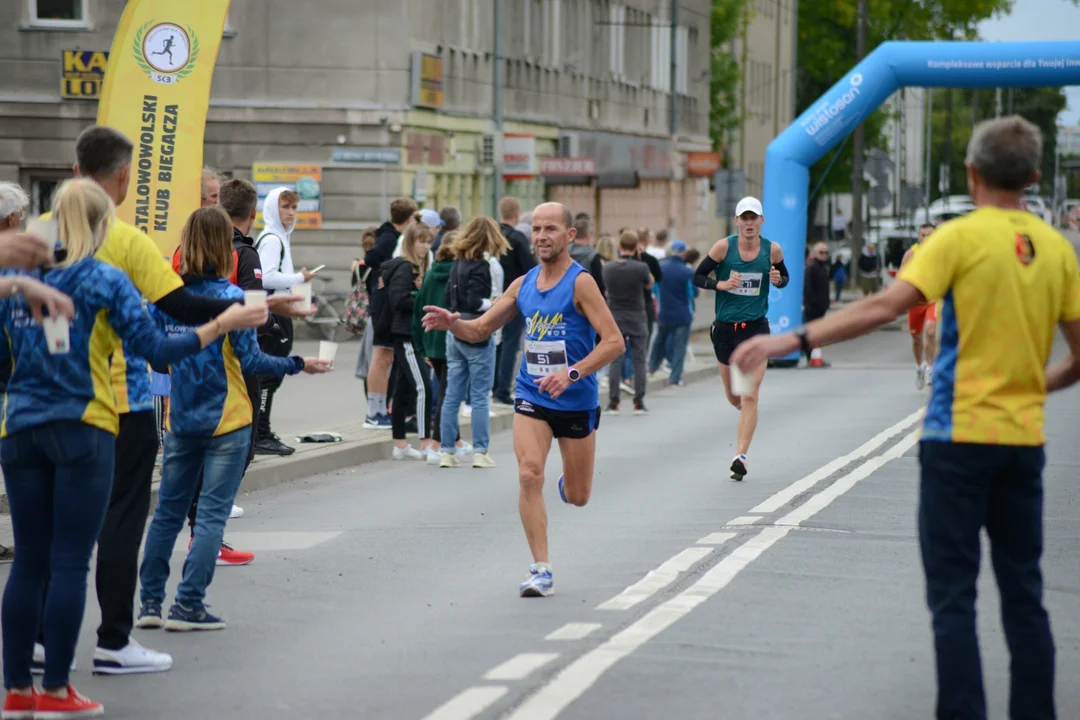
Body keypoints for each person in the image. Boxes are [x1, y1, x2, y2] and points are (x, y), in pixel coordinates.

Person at [731, 116, 1080, 720]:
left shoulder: (957, 239)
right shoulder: (1057, 250)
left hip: (956, 440)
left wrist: (794, 340)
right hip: (1023, 444)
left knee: (954, 598)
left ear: (972, 174)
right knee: (1025, 595)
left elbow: (886, 305)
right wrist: (1031, 390)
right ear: (1034, 176)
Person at [0, 180, 263, 719]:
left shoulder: (14, 278)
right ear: (102, 227)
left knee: (29, 560)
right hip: (85, 422)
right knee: (72, 561)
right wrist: (222, 323)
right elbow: (157, 349)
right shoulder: (102, 278)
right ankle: (54, 691)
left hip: (18, 426)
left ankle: (14, 688)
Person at [43, 126, 274, 678]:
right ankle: (115, 639)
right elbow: (170, 328)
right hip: (116, 407)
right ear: (122, 177)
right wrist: (233, 314)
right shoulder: (122, 251)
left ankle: (37, 651)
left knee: (47, 538)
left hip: (33, 413)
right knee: (118, 524)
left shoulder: (29, 245)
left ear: (75, 174)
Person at [136, 207, 330, 632]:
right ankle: (187, 606)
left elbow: (157, 359)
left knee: (167, 514)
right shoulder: (231, 298)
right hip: (229, 418)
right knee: (209, 517)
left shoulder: (167, 298)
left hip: (181, 418)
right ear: (226, 247)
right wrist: (299, 364)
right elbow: (254, 360)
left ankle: (150, 603)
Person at [421, 202, 624, 598]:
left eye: (551, 229)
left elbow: (615, 342)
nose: (542, 236)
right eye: (537, 229)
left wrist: (571, 373)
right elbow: (480, 329)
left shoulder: (581, 283)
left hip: (575, 396)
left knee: (579, 497)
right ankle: (541, 569)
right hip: (532, 394)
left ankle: (572, 482)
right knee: (529, 474)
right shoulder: (523, 284)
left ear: (570, 236)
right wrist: (454, 323)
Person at [692, 195, 789, 481]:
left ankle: (740, 456)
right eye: (744, 218)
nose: (749, 223)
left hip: (756, 329)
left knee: (749, 393)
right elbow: (697, 277)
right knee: (734, 395)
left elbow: (784, 277)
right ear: (737, 221)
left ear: (761, 221)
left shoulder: (772, 250)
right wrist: (720, 284)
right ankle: (746, 411)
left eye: (753, 217)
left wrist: (778, 280)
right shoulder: (724, 247)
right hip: (725, 330)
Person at [437, 217, 510, 469]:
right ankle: (480, 451)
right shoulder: (481, 265)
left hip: (454, 331)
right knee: (479, 396)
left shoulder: (458, 262)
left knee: (451, 395)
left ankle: (446, 451)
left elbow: (450, 296)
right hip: (476, 332)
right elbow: (474, 301)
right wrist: (495, 303)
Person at [254, 187, 317, 456]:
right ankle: (261, 434)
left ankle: (260, 431)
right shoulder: (272, 239)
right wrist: (298, 279)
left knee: (271, 374)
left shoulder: (278, 238)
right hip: (273, 312)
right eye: (285, 207)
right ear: (272, 208)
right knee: (270, 374)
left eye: (294, 208)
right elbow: (266, 277)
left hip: (277, 310)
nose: (291, 213)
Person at [381, 222, 436, 460]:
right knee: (423, 387)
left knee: (403, 390)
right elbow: (398, 300)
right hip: (406, 334)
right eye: (421, 241)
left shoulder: (417, 267)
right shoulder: (405, 268)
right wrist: (423, 301)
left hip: (411, 333)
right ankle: (425, 443)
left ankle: (401, 445)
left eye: (428, 241)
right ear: (410, 242)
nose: (425, 246)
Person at [363, 197, 418, 429]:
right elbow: (371, 258)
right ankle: (374, 412)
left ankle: (380, 409)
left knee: (385, 357)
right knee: (381, 356)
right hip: (383, 303)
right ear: (407, 219)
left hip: (385, 302)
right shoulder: (389, 237)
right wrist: (386, 275)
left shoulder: (391, 234)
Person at [492, 197, 538, 406]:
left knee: (496, 342)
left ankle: (493, 385)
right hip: (515, 298)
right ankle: (502, 389)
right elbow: (530, 270)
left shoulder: (492, 235)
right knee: (511, 343)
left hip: (493, 296)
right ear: (517, 213)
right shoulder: (518, 238)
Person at [603, 229, 654, 415]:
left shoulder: (608, 268)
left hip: (615, 316)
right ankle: (639, 402)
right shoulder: (641, 268)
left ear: (619, 246)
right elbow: (650, 284)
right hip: (637, 317)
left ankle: (613, 401)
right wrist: (640, 259)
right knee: (640, 360)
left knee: (615, 360)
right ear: (636, 247)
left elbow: (606, 290)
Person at [648, 239, 696, 386]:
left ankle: (651, 368)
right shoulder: (688, 271)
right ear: (683, 253)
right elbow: (691, 293)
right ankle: (675, 377)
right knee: (680, 346)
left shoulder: (660, 268)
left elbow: (654, 289)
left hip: (664, 313)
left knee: (659, 341)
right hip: (682, 314)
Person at [901, 223, 939, 389]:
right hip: (915, 302)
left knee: (931, 331)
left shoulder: (940, 253)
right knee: (916, 338)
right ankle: (919, 367)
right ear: (918, 236)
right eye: (923, 235)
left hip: (932, 300)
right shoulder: (911, 253)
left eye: (929, 235)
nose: (926, 238)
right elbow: (901, 276)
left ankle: (930, 368)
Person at [802, 241, 832, 365]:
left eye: (826, 252)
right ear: (814, 253)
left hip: (821, 307)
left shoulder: (823, 267)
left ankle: (815, 356)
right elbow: (808, 289)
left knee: (818, 334)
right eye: (821, 252)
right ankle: (812, 357)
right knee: (813, 333)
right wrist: (811, 304)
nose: (824, 255)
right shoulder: (812, 268)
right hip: (813, 308)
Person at [568, 214, 606, 296]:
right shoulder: (593, 255)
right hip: (586, 297)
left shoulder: (564, 252)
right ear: (588, 234)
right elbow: (599, 283)